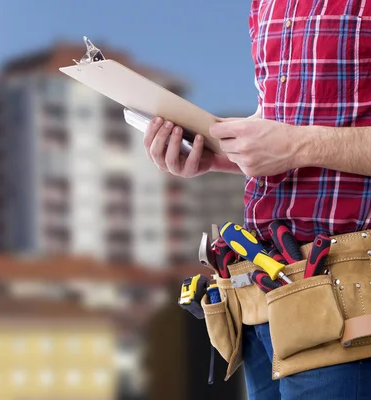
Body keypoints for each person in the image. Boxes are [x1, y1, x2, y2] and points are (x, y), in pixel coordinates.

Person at [144, 1, 371, 399]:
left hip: (348, 301)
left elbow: (296, 143)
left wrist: (298, 145)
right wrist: (216, 156)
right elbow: (287, 137)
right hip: (262, 299)